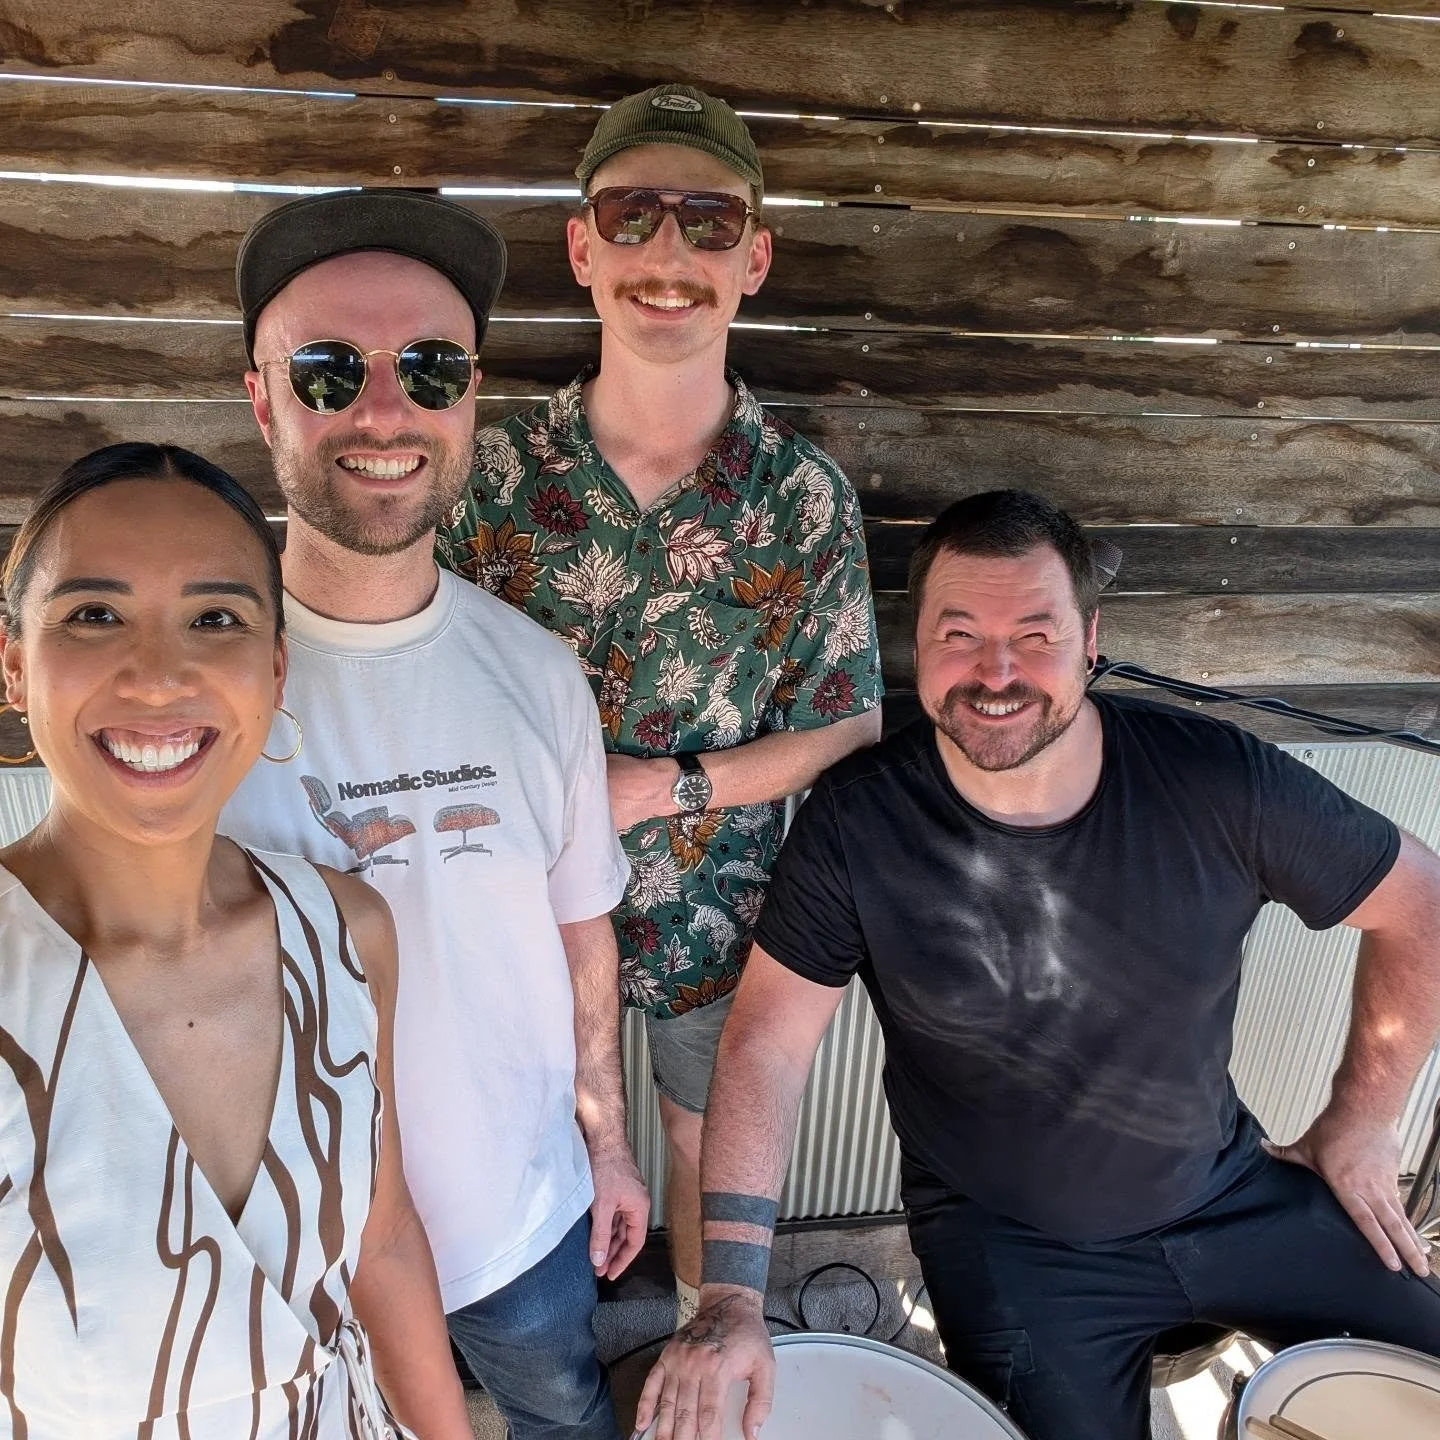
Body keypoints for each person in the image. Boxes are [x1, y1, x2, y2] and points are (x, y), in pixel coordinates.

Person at [637, 488, 1440, 1440]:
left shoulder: (1217, 781)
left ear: (1089, 640)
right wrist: (731, 1294)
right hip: (1014, 1248)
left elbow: (1421, 906)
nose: (997, 673)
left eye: (1036, 634)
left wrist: (1362, 1123)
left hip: (1231, 1194)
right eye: (961, 634)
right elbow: (766, 1045)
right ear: (917, 645)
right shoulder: (858, 821)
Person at [438, 84, 883, 1326]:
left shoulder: (801, 497)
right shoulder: (491, 475)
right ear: (583, 248)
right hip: (516, 907)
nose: (669, 253)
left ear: (755, 258)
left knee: (704, 1136)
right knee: (511, 1129)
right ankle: (538, 1359)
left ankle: (699, 1335)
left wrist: (671, 788)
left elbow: (848, 722)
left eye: (708, 220)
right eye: (632, 215)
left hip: (719, 908)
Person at [221, 190, 648, 1440]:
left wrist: (608, 1140)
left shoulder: (540, 673)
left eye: (429, 368)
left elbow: (580, 928)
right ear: (262, 401)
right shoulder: (195, 696)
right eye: (326, 369)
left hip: (527, 1228)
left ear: (470, 401)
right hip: (294, 1260)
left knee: (566, 1417)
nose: (383, 410)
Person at [0, 443, 471, 1439]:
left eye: (214, 618)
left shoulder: (346, 936)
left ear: (275, 669)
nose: (159, 676)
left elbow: (383, 1240)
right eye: (94, 615)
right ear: (13, 664)